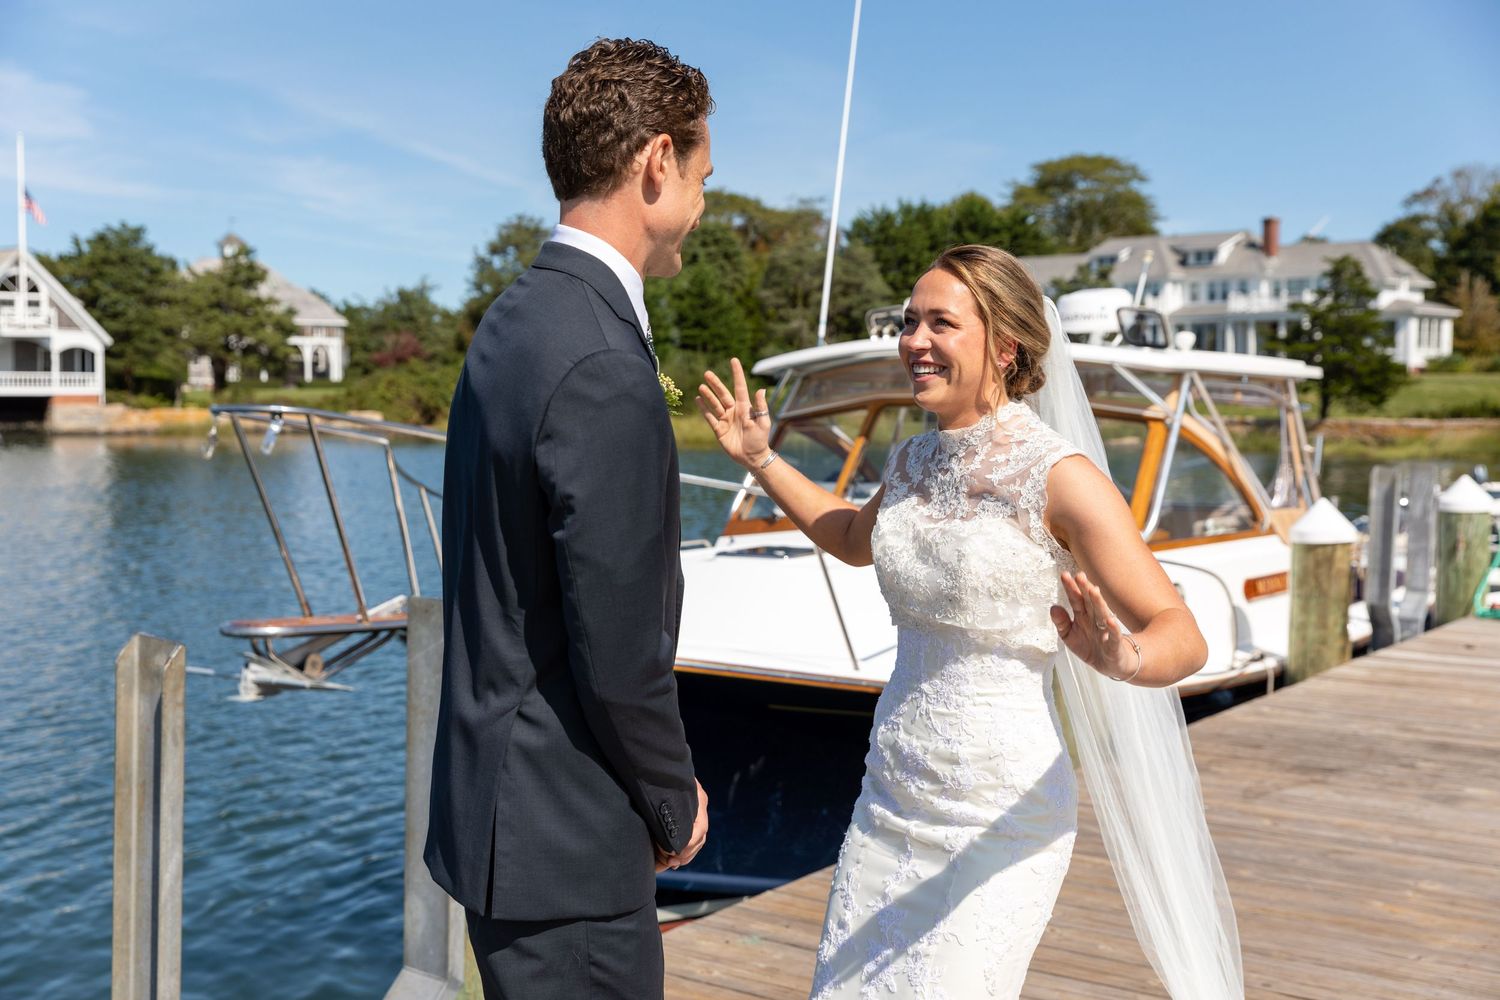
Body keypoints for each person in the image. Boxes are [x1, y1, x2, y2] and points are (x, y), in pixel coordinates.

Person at [696, 245, 1242, 999]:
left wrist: (1122, 658)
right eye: (911, 321)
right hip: (889, 795)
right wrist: (762, 460)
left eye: (941, 323)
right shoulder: (916, 460)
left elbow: (1179, 632)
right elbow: (853, 539)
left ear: (1005, 344)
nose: (915, 340)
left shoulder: (1062, 477)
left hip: (997, 813)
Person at [425, 38, 714, 1000]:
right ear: (657, 163)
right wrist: (675, 803)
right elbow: (620, 645)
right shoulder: (601, 362)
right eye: (704, 177)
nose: (703, 209)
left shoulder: (514, 318)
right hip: (567, 846)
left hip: (501, 822)